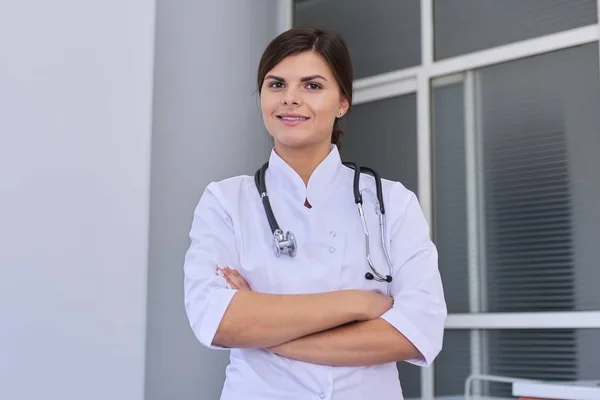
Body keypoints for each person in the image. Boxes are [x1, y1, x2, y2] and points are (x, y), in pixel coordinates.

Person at [183, 26, 447, 400]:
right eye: (276, 84)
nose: (290, 99)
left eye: (312, 86)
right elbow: (219, 321)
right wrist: (358, 303)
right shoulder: (225, 201)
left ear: (342, 102)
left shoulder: (392, 203)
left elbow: (416, 330)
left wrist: (269, 336)